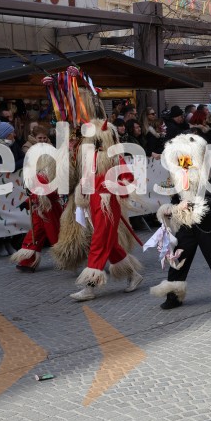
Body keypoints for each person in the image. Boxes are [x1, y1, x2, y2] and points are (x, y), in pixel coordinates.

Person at [150, 134, 211, 309]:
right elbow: (175, 199)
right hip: (186, 223)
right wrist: (173, 209)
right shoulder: (176, 178)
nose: (182, 163)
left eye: (185, 159)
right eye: (179, 159)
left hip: (205, 222)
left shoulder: (204, 176)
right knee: (178, 256)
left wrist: (194, 206)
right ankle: (174, 295)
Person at [68, 119, 144, 301]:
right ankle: (133, 274)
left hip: (108, 205)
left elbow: (128, 180)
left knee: (99, 242)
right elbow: (87, 180)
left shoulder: (115, 158)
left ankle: (89, 287)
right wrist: (83, 197)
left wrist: (112, 190)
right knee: (110, 244)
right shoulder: (92, 156)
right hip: (95, 204)